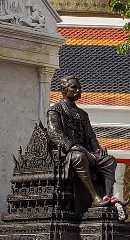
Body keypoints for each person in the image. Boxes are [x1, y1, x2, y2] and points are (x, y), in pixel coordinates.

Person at [45, 75, 119, 207]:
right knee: (79, 157)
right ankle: (95, 197)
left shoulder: (83, 114)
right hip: (67, 153)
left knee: (109, 160)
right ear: (63, 90)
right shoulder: (55, 110)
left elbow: (91, 136)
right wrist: (71, 145)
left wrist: (97, 149)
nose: (79, 90)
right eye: (74, 87)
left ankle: (107, 197)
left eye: (80, 88)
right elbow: (53, 132)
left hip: (86, 151)